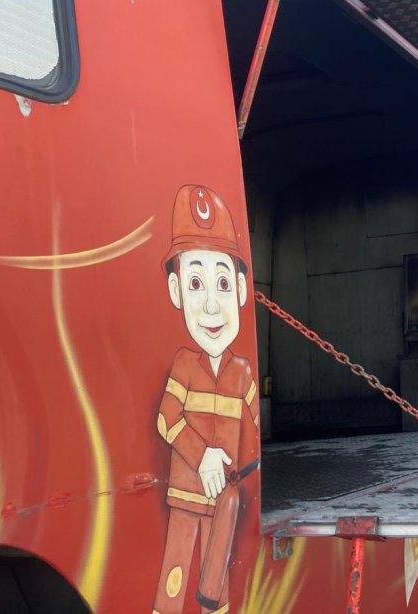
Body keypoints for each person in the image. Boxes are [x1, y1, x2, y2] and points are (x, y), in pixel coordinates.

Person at [154, 186, 260, 613]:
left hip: (223, 505)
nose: (212, 304)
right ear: (177, 290)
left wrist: (244, 471)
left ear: (239, 289)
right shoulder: (183, 364)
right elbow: (167, 418)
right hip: (185, 496)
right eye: (197, 283)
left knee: (217, 588)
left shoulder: (243, 375)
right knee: (174, 583)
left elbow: (252, 436)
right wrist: (203, 456)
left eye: (221, 282)